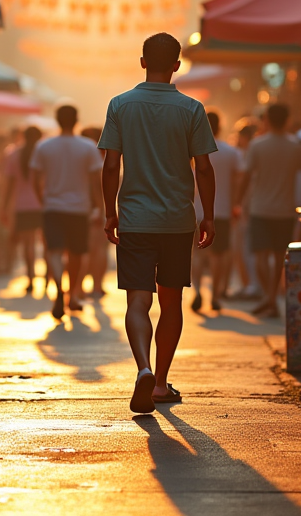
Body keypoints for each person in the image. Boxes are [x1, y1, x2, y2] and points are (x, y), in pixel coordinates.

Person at [99, 33, 217, 413]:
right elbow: (203, 167)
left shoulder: (120, 105)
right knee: (171, 302)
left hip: (135, 219)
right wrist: (208, 214)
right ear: (177, 66)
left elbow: (111, 165)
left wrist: (110, 211)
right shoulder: (192, 109)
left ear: (143, 62)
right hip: (177, 221)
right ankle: (161, 383)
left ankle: (143, 368)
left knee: (138, 300)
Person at [234, 102, 301, 318]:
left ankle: (269, 298)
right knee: (279, 256)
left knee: (260, 256)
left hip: (260, 208)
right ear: (287, 120)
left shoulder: (257, 145)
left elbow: (246, 177)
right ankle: (271, 299)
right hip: (285, 210)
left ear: (266, 120)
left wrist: (237, 202)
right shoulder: (295, 146)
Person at [31, 105, 103, 317]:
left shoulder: (44, 146)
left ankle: (59, 290)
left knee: (54, 250)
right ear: (76, 120)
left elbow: (35, 178)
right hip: (79, 208)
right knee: (76, 253)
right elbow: (95, 182)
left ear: (57, 120)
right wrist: (101, 208)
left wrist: (43, 199)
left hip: (52, 207)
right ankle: (72, 294)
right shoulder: (88, 147)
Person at [191, 111, 240, 314]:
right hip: (222, 210)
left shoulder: (192, 150)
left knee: (197, 253)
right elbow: (237, 181)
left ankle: (197, 291)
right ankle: (215, 295)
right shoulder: (230, 152)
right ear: (220, 126)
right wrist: (235, 204)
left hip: (197, 209)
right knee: (218, 255)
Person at [0, 125, 44, 293]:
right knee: (47, 243)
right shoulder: (43, 153)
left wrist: (4, 207)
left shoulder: (13, 154)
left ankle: (31, 278)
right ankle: (49, 279)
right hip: (43, 204)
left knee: (28, 244)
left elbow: (8, 184)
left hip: (22, 205)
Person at [230, 119, 259, 300]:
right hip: (250, 205)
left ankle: (251, 285)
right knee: (245, 248)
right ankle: (249, 284)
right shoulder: (249, 153)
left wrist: (238, 204)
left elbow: (244, 182)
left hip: (247, 207)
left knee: (245, 247)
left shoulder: (246, 155)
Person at [78, 125, 108, 299]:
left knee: (84, 249)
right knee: (99, 248)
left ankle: (79, 287)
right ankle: (97, 285)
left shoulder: (82, 159)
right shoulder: (105, 161)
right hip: (99, 208)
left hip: (84, 207)